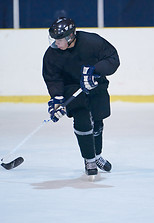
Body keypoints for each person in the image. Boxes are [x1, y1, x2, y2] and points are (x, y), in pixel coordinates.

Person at [42, 17, 120, 176]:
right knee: (82, 120)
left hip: (96, 83)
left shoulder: (92, 42)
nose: (55, 43)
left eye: (59, 40)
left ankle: (97, 155)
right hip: (71, 88)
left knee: (97, 121)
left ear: (70, 37)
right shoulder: (52, 54)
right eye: (54, 39)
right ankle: (89, 159)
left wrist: (95, 70)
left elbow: (113, 58)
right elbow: (52, 78)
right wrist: (57, 99)